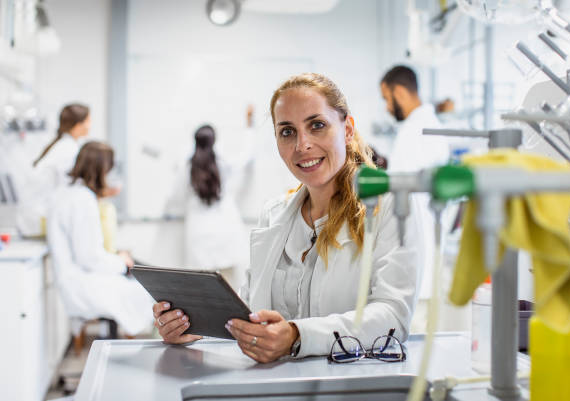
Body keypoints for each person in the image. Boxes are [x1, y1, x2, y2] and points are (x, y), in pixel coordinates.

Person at [152, 73, 420, 363]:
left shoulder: (390, 205)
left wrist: (296, 335)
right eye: (287, 132)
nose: (301, 145)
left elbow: (393, 315)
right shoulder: (274, 214)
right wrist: (196, 325)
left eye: (317, 125)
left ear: (347, 129)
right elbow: (249, 309)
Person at [46, 141, 153, 336]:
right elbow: (89, 258)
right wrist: (121, 263)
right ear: (101, 169)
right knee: (152, 294)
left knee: (140, 279)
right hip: (83, 283)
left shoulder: (66, 194)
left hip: (73, 280)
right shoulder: (83, 199)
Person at [380, 65, 450, 333]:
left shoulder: (418, 130)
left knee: (416, 334)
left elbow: (401, 188)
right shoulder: (421, 127)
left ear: (399, 91)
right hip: (417, 249)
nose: (387, 107)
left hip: (416, 248)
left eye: (387, 98)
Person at [165, 115, 254, 290]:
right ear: (214, 140)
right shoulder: (224, 163)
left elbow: (176, 197)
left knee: (203, 288)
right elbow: (246, 156)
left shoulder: (186, 166)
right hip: (226, 231)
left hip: (199, 234)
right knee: (228, 287)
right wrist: (250, 128)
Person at [17, 103, 91, 237]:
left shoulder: (63, 145)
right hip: (38, 219)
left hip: (33, 217)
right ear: (78, 125)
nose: (90, 126)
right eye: (88, 121)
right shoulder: (68, 150)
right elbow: (70, 190)